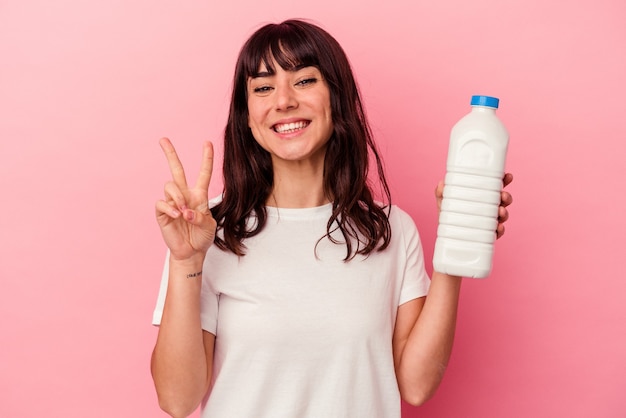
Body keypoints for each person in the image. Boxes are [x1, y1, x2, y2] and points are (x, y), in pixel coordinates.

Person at [151, 19, 513, 418]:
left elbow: (416, 385)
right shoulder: (209, 231)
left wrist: (454, 245)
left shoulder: (390, 231)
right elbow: (177, 399)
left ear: (336, 98)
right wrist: (187, 261)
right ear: (248, 117)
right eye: (263, 87)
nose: (283, 101)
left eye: (304, 81)